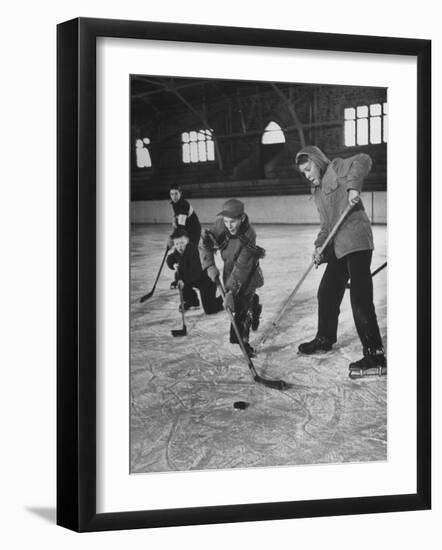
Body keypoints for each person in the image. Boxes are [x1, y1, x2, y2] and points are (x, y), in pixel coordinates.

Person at [294, 145, 386, 376]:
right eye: (303, 172)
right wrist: (319, 247)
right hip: (338, 247)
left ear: (317, 160)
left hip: (356, 240)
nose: (307, 175)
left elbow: (363, 159)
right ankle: (325, 338)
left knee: (360, 297)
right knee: (326, 291)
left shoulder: (336, 168)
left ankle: (375, 355)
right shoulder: (317, 193)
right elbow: (327, 226)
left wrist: (354, 188)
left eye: (308, 169)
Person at [199, 199, 264, 357]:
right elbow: (204, 243)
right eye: (226, 221)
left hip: (247, 274)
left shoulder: (249, 234)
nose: (228, 225)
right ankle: (254, 305)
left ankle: (245, 342)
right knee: (238, 306)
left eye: (232, 221)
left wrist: (229, 292)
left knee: (241, 312)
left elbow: (242, 267)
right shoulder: (220, 225)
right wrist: (209, 266)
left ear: (241, 218)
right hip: (229, 270)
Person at [166, 227, 223, 314]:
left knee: (210, 310)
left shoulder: (193, 251)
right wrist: (173, 265)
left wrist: (181, 279)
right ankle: (192, 301)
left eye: (182, 243)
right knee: (178, 275)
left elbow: (194, 273)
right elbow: (170, 258)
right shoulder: (177, 252)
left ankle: (223, 299)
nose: (179, 246)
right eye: (177, 244)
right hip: (193, 279)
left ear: (187, 241)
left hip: (206, 282)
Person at [168, 185, 202, 289]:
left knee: (189, 253)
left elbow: (181, 226)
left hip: (193, 232)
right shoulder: (175, 204)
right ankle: (182, 278)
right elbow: (177, 220)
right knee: (182, 253)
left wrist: (172, 238)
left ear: (180, 194)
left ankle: (191, 279)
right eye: (172, 194)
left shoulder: (183, 205)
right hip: (186, 231)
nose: (174, 196)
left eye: (176, 194)